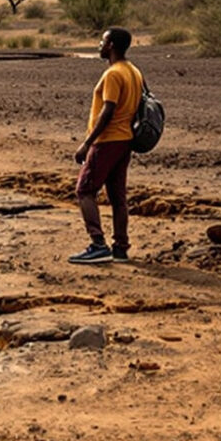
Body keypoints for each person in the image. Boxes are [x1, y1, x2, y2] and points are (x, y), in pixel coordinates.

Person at [69, 26, 143, 264]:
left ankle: (98, 244)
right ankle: (120, 247)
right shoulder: (133, 71)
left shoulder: (113, 74)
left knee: (85, 190)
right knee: (117, 196)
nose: (100, 45)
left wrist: (87, 143)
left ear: (111, 45)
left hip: (107, 140)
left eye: (103, 41)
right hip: (125, 140)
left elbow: (107, 110)